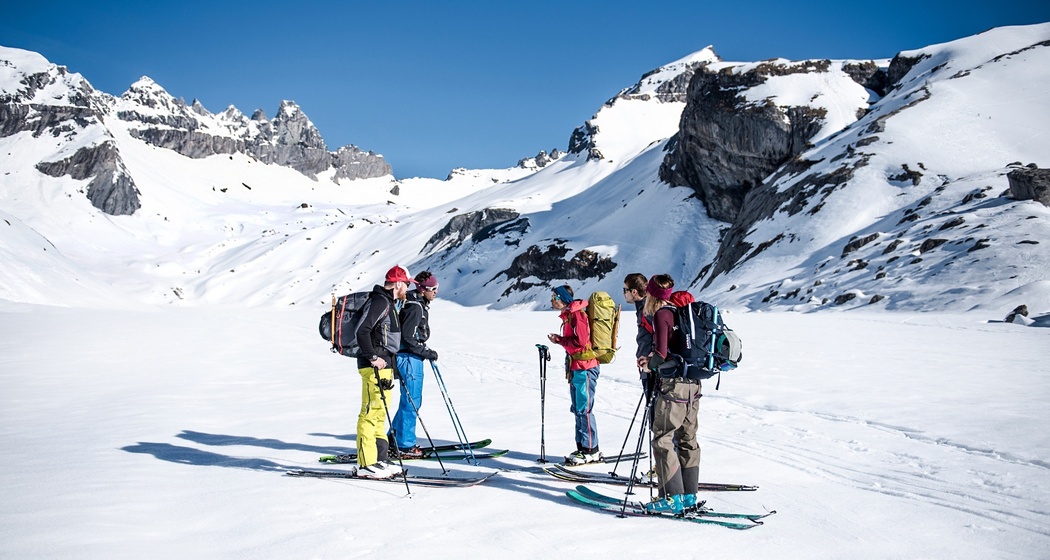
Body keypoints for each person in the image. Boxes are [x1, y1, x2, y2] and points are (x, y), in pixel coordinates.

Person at [642, 274, 701, 514]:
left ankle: (670, 497)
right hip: (694, 385)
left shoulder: (662, 314)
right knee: (688, 439)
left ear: (652, 294)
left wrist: (649, 365)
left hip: (673, 387)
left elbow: (662, 352)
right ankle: (689, 496)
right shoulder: (684, 313)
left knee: (663, 438)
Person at [353, 265, 414, 479]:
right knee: (370, 413)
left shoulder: (389, 302)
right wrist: (372, 357)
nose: (408, 288)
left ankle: (379, 460)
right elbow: (362, 330)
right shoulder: (380, 301)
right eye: (407, 283)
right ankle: (366, 463)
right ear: (398, 283)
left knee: (380, 414)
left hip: (385, 366)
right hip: (374, 366)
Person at [546, 285, 602, 465]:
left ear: (562, 298)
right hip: (577, 367)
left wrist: (560, 340)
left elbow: (581, 342)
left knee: (584, 409)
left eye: (554, 297)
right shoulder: (570, 315)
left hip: (584, 367)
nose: (552, 300)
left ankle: (591, 449)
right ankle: (582, 447)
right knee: (578, 408)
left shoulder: (577, 315)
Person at [390, 271, 440, 458]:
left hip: (409, 357)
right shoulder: (415, 307)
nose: (435, 292)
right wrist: (426, 352)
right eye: (432, 289)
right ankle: (404, 445)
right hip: (409, 358)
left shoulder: (412, 303)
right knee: (412, 401)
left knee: (409, 400)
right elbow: (409, 338)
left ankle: (394, 439)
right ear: (422, 289)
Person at [623, 273, 653, 398]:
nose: (624, 293)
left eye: (625, 290)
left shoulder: (648, 310)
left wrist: (650, 360)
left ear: (634, 292)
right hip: (649, 366)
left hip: (652, 368)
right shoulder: (645, 307)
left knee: (655, 412)